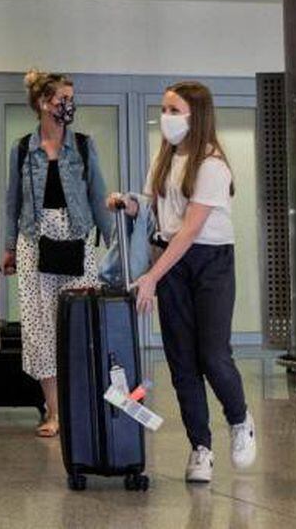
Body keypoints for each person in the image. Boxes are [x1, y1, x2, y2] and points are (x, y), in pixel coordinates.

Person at [108, 81, 256, 483]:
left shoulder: (212, 165)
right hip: (170, 260)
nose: (167, 118)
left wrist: (152, 277)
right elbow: (155, 209)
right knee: (181, 363)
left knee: (212, 354)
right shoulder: (165, 159)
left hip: (209, 262)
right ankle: (201, 447)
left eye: (174, 110)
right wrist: (129, 201)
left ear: (196, 116)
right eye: (164, 110)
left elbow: (189, 231)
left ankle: (240, 420)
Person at [0, 70, 113, 438]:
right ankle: (54, 412)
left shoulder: (82, 145)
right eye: (61, 99)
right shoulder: (22, 149)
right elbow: (12, 203)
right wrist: (8, 248)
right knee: (40, 329)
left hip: (76, 238)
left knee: (80, 323)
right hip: (35, 241)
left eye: (70, 98)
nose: (68, 105)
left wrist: (115, 245)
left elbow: (98, 195)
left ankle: (80, 406)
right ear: (42, 104)